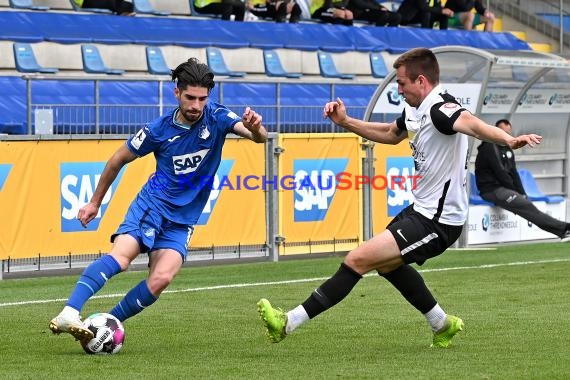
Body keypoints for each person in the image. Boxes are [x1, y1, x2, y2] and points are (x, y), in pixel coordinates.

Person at [257, 47, 542, 348]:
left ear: (421, 81)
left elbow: (471, 123)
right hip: (421, 210)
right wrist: (346, 122)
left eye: (402, 83)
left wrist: (509, 139)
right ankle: (441, 324)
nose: (399, 89)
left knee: (358, 259)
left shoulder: (440, 108)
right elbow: (391, 134)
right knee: (386, 264)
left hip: (439, 221)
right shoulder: (415, 110)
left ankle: (288, 322)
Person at [49, 58, 268, 342]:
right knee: (122, 257)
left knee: (162, 278)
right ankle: (70, 311)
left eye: (202, 99)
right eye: (190, 97)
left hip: (183, 219)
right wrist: (94, 202)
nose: (196, 106)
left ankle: (107, 325)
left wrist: (255, 128)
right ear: (176, 92)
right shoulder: (158, 130)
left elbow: (259, 138)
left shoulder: (217, 117)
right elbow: (118, 159)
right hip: (152, 206)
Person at [475, 119, 570, 241]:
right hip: (491, 190)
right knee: (526, 206)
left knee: (526, 204)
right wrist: (516, 193)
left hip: (503, 189)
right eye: (503, 132)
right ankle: (565, 229)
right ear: (496, 131)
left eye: (508, 133)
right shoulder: (489, 146)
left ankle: (564, 231)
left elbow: (513, 173)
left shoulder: (506, 147)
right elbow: (501, 173)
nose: (507, 136)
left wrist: (522, 193)